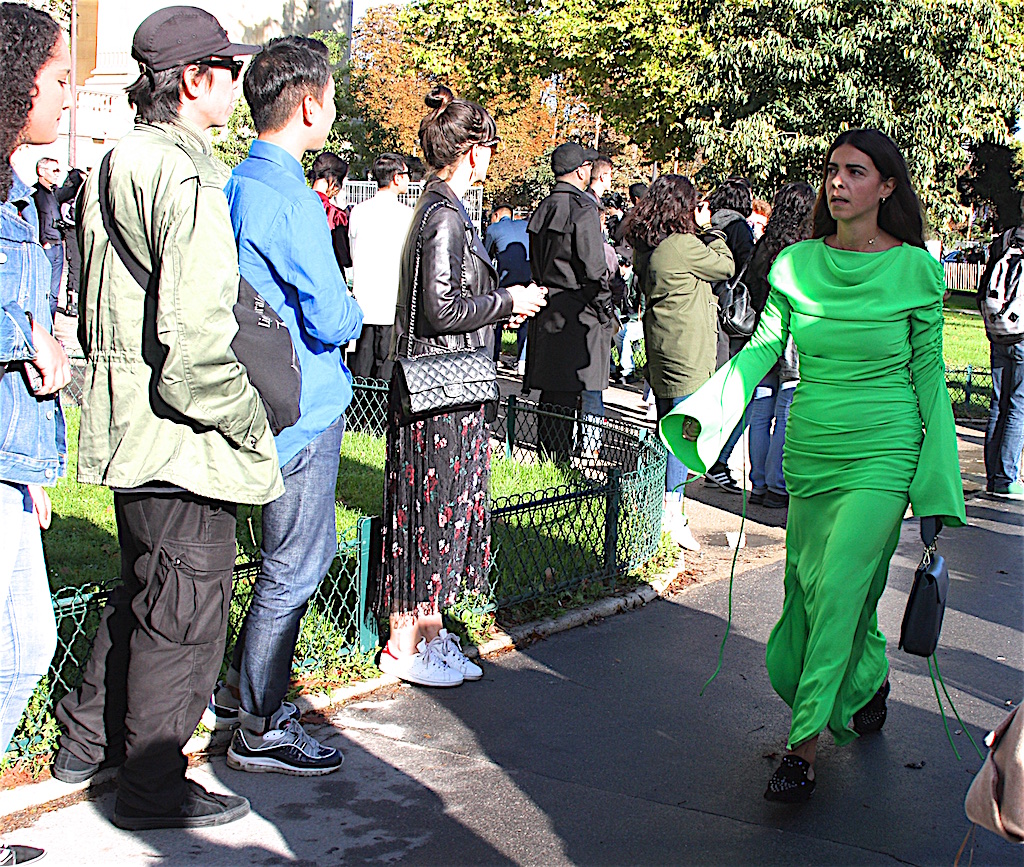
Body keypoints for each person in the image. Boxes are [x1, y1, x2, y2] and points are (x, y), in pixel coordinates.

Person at [661, 129, 966, 802]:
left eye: (855, 172)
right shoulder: (796, 263)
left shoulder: (916, 268)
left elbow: (928, 378)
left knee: (836, 590)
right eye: (832, 170)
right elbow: (763, 348)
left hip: (885, 453)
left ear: (886, 186)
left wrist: (938, 479)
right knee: (814, 587)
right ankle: (868, 678)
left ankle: (801, 748)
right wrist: (706, 410)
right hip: (814, 450)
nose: (837, 182)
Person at [52, 6, 281, 831]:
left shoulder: (123, 160)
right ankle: (152, 786)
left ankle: (85, 742)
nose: (237, 82)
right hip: (183, 437)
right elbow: (194, 349)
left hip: (130, 428)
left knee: (146, 592)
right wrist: (252, 421)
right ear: (194, 81)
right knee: (184, 616)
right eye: (227, 68)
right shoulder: (185, 175)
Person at [219, 36, 364, 776]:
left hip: (260, 397)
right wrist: (354, 306)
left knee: (279, 560)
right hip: (305, 403)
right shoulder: (292, 197)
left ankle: (241, 692)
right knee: (294, 565)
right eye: (332, 97)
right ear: (310, 106)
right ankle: (260, 722)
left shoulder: (239, 181)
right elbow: (334, 317)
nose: (333, 110)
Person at [375, 85, 546, 687]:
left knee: (434, 511)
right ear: (473, 152)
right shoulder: (445, 213)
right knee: (431, 511)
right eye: (490, 149)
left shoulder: (438, 206)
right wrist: (508, 299)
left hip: (446, 384)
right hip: (441, 389)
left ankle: (428, 635)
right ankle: (409, 642)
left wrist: (499, 308)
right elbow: (442, 310)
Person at [0, 6, 72, 862]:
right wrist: (32, 340)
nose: (63, 94)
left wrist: (29, 473)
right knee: (19, 641)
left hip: (10, 458)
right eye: (57, 78)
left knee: (28, 638)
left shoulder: (21, 193)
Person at [625, 175, 734, 552]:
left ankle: (656, 508)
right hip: (686, 351)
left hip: (663, 346)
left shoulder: (648, 244)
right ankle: (671, 514)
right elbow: (725, 266)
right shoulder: (684, 245)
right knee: (682, 434)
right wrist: (711, 230)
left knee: (666, 427)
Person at [525, 141, 611, 461]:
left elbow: (534, 260)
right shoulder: (582, 209)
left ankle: (548, 462)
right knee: (570, 391)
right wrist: (604, 309)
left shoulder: (544, 206)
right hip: (578, 310)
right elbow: (594, 268)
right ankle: (558, 467)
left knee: (551, 395)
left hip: (547, 305)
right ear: (580, 170)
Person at [742, 182, 816, 509]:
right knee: (785, 412)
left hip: (759, 334)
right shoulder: (802, 251)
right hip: (787, 339)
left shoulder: (763, 246)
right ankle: (776, 484)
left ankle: (758, 483)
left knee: (760, 412)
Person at [704, 176, 756, 495]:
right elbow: (747, 268)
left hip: (710, 312)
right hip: (735, 316)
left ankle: (709, 455)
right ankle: (718, 461)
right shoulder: (740, 230)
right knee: (738, 395)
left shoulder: (709, 226)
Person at [347, 153, 413, 381]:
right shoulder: (407, 216)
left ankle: (358, 417)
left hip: (362, 306)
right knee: (385, 376)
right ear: (396, 178)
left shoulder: (358, 212)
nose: (408, 180)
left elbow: (352, 252)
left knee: (360, 375)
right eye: (406, 175)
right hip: (391, 307)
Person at [976, 206, 1024, 499]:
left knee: (999, 402)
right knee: (1018, 405)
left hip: (999, 330)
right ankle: (1007, 477)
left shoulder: (1005, 239)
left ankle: (994, 476)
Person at [483, 202, 531, 370]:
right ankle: (523, 361)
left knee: (497, 316)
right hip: (528, 279)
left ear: (496, 216)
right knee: (525, 319)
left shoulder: (493, 229)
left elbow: (485, 257)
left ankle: (494, 358)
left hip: (505, 280)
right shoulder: (526, 226)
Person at [31, 157, 75, 319]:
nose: (57, 174)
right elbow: (33, 220)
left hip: (57, 246)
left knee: (54, 295)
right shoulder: (34, 194)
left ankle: (51, 331)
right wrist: (43, 242)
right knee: (42, 292)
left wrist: (75, 176)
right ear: (42, 172)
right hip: (45, 247)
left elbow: (71, 191)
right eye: (54, 170)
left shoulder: (54, 193)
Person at [308, 150, 352, 276]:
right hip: (328, 277)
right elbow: (345, 258)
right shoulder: (335, 215)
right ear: (333, 181)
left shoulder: (297, 204)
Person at [58, 167, 85, 316]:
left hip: (80, 230)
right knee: (75, 264)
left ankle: (77, 300)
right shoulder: (68, 194)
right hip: (72, 230)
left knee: (81, 266)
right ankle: (72, 300)